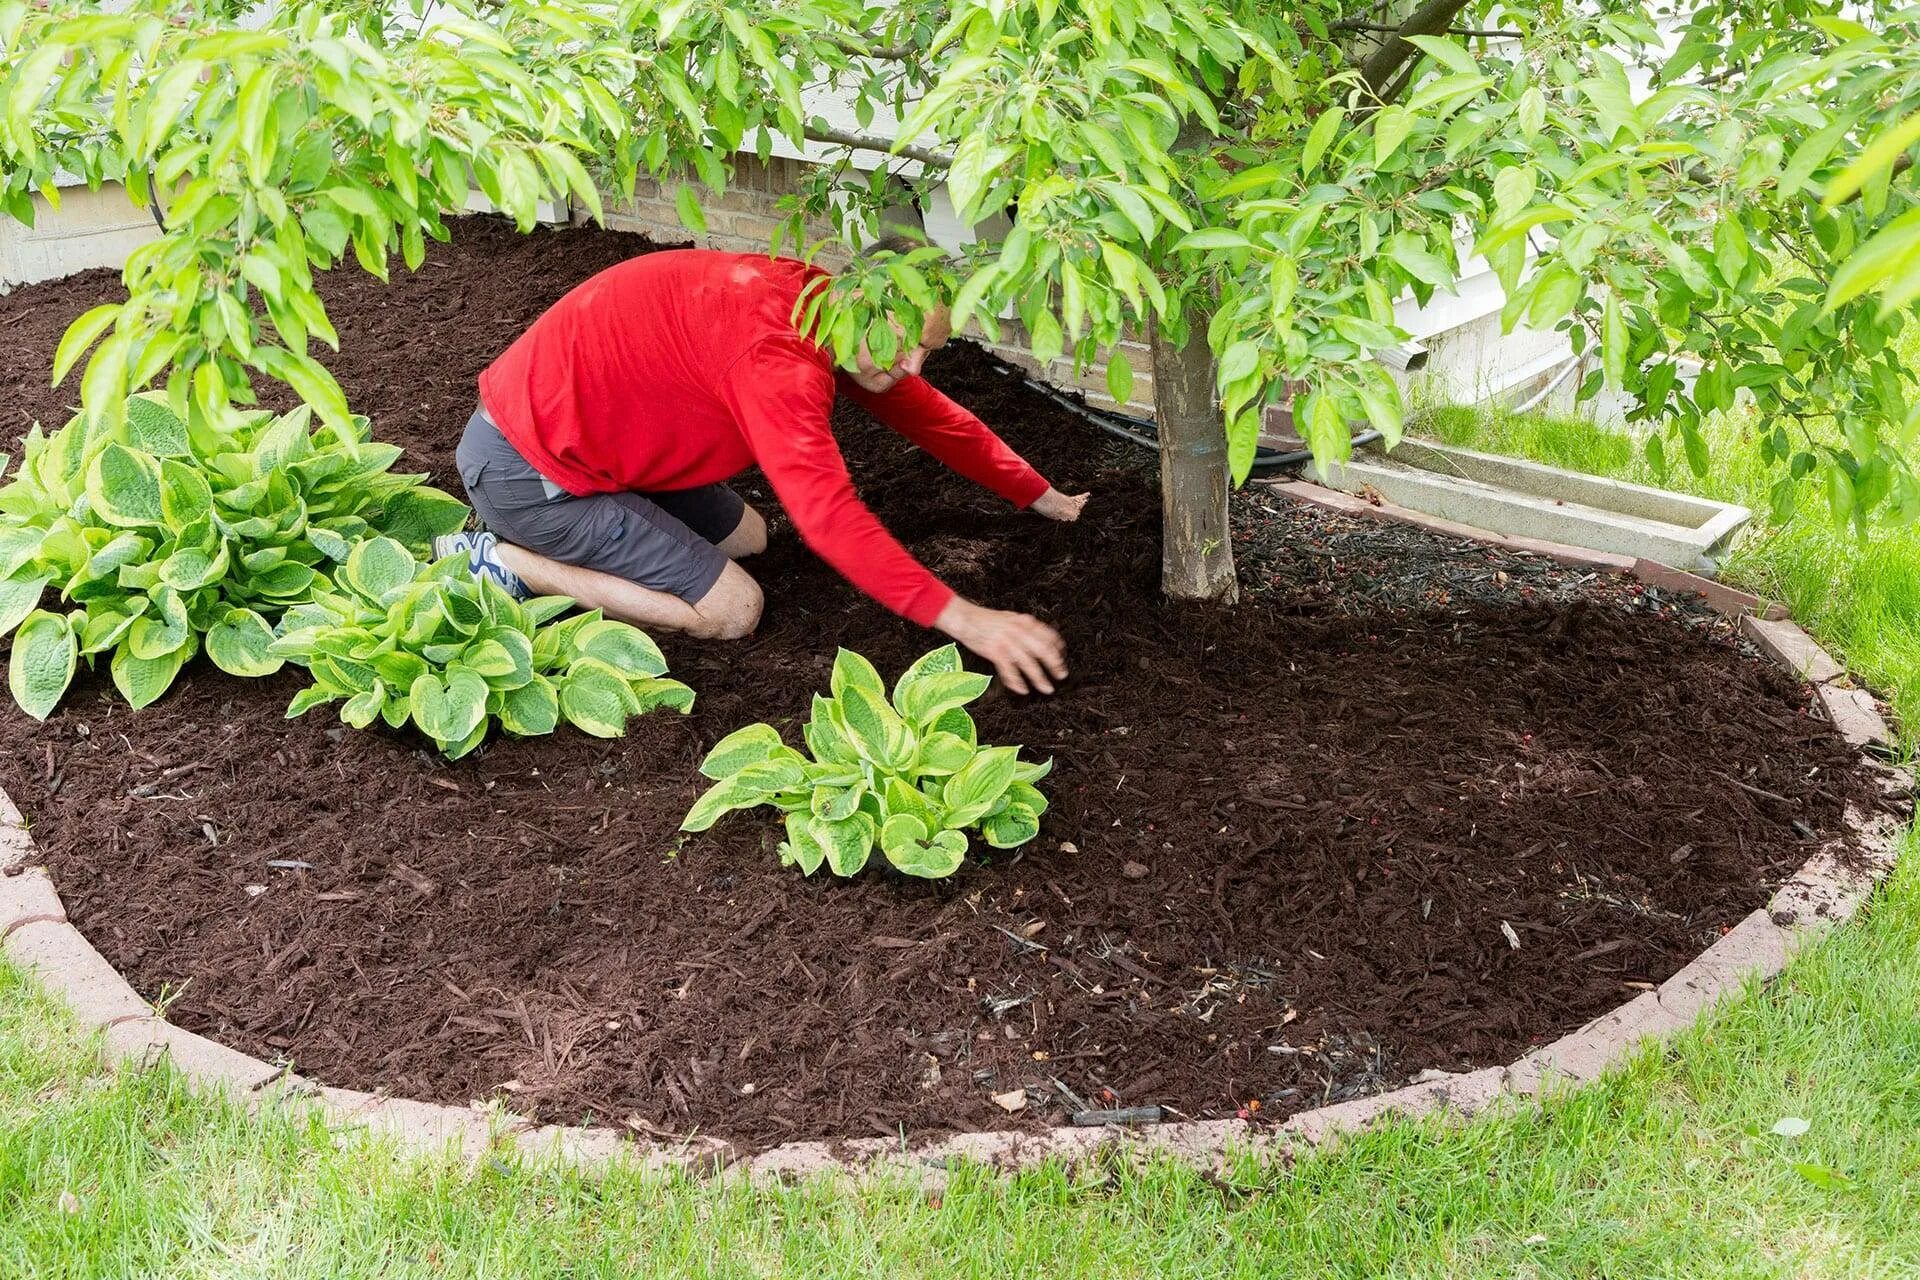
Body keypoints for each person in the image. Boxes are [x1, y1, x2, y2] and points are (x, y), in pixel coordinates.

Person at [437, 241, 1089, 694]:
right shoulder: (777, 362)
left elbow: (929, 415)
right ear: (866, 303)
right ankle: (505, 563)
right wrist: (967, 619)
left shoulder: (825, 305)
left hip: (591, 440)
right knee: (733, 608)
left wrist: (1038, 494)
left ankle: (604, 523)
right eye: (908, 345)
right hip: (528, 471)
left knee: (750, 538)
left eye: (929, 350)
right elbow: (829, 517)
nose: (914, 367)